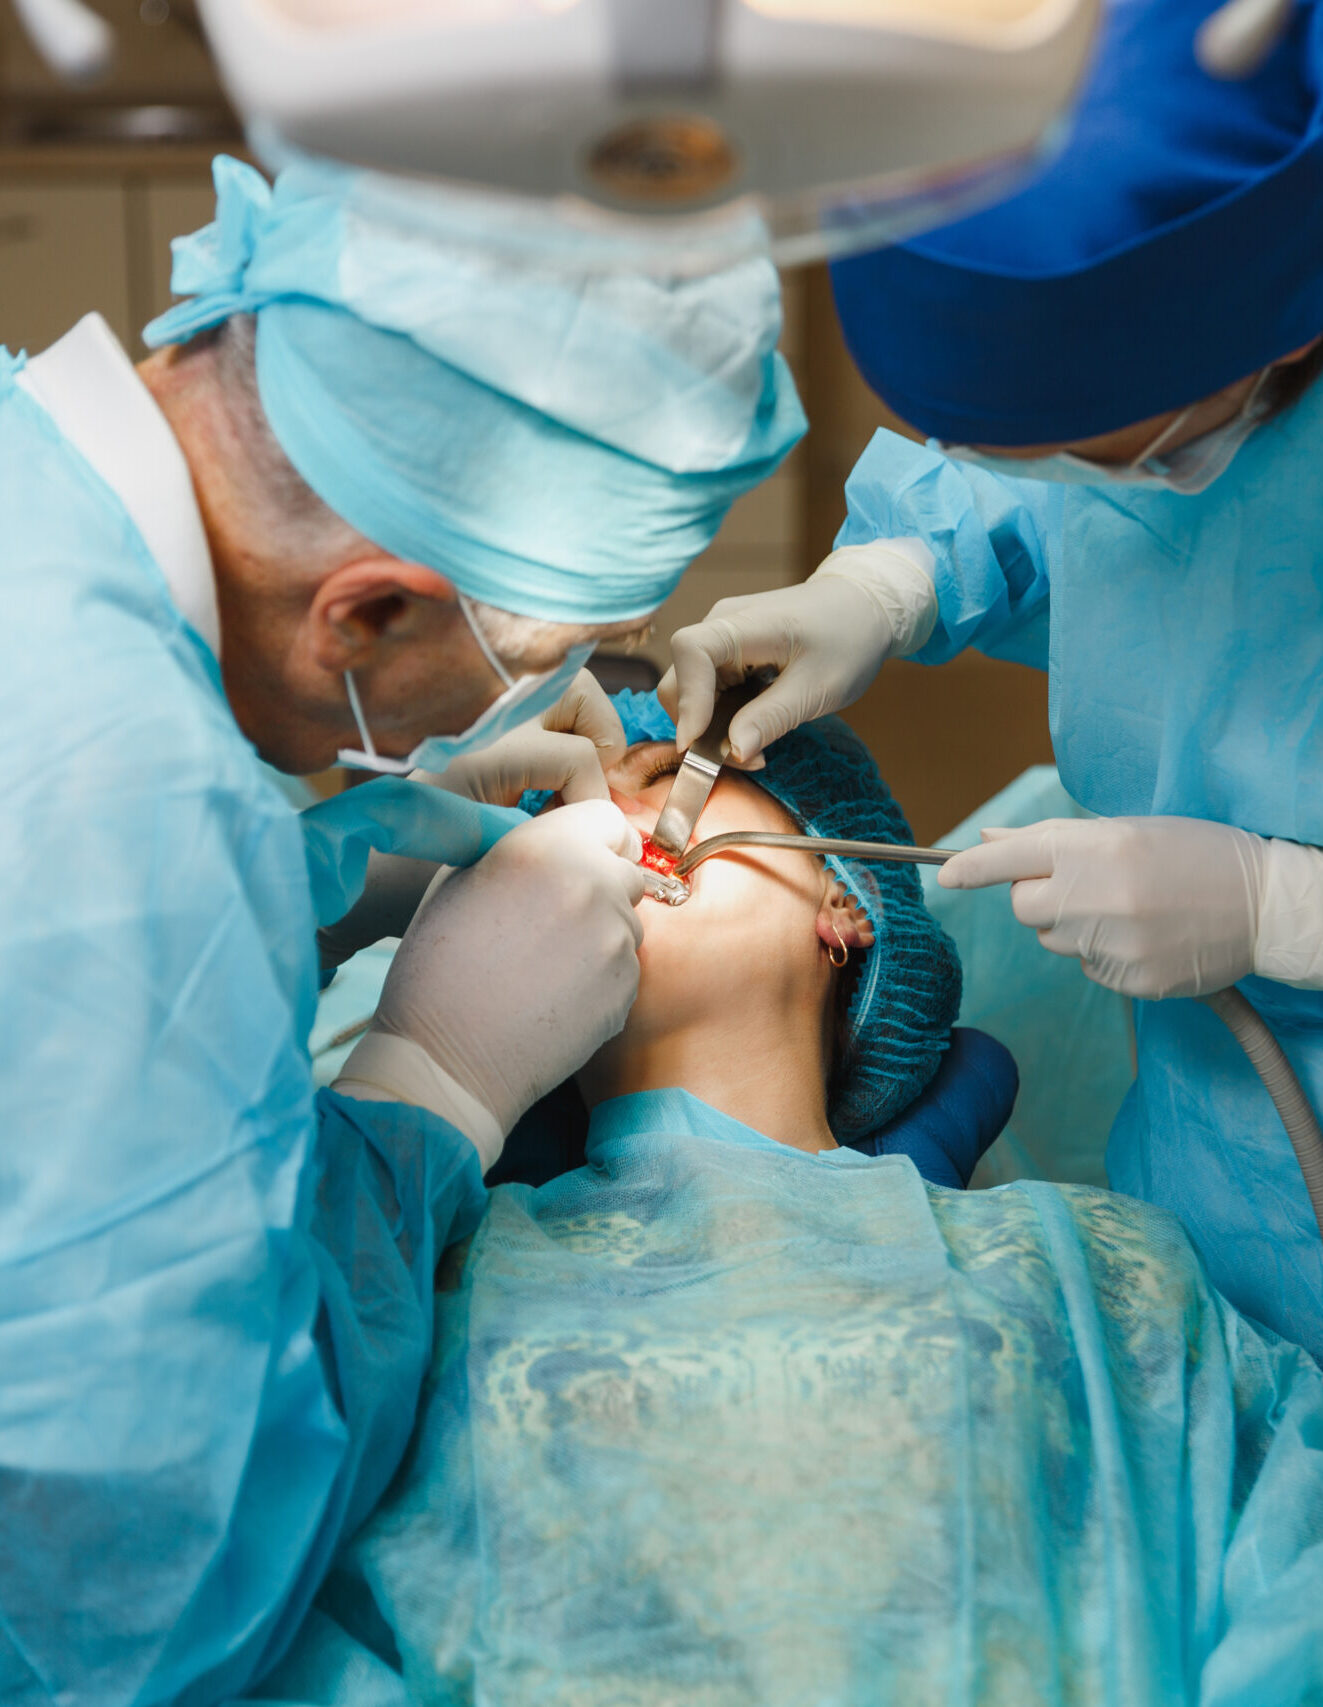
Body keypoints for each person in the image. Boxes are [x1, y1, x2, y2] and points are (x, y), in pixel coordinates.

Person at [0, 151, 804, 1703]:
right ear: (362, 612)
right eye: (544, 657)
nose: (549, 711)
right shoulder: (133, 817)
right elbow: (135, 1598)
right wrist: (430, 1080)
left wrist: (313, 875)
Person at [251, 697, 1323, 1707]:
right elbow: (246, 1580)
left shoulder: (1087, 1263)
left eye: (669, 773)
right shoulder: (416, 1279)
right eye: (562, 817)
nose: (608, 821)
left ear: (844, 902)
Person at [659, 0, 1323, 1360]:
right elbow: (1060, 487)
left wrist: (1279, 908)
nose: (1026, 473)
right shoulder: (1141, 389)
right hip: (1208, 1206)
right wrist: (889, 577)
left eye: (1070, 443)